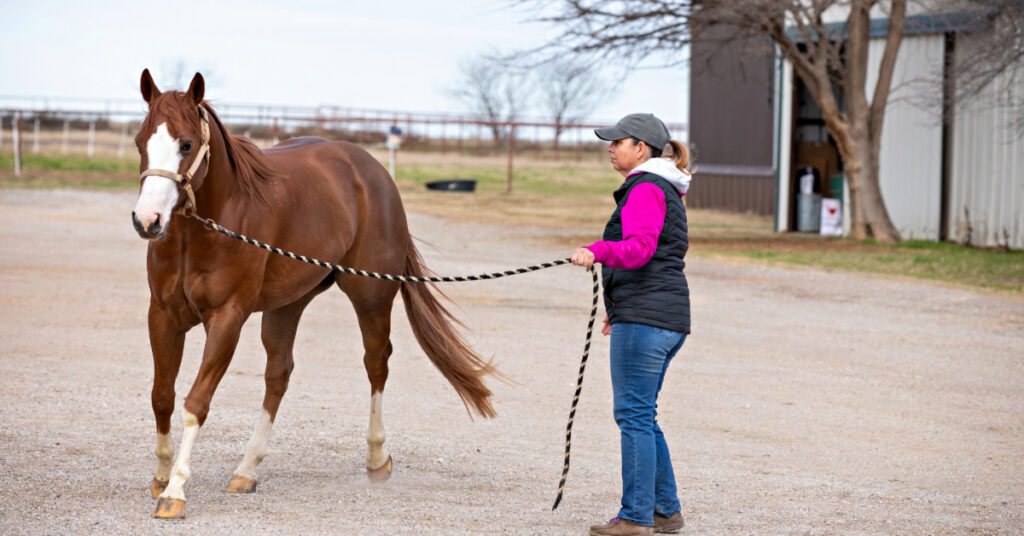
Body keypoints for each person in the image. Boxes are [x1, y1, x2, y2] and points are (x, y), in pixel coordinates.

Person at [570, 113, 692, 536]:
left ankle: (636, 517)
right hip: (658, 317)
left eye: (617, 141)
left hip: (648, 318)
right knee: (644, 416)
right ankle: (665, 511)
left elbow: (639, 250)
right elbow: (654, 257)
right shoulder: (660, 187)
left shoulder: (645, 188)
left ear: (641, 148)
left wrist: (596, 250)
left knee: (634, 416)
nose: (610, 148)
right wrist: (617, 307)